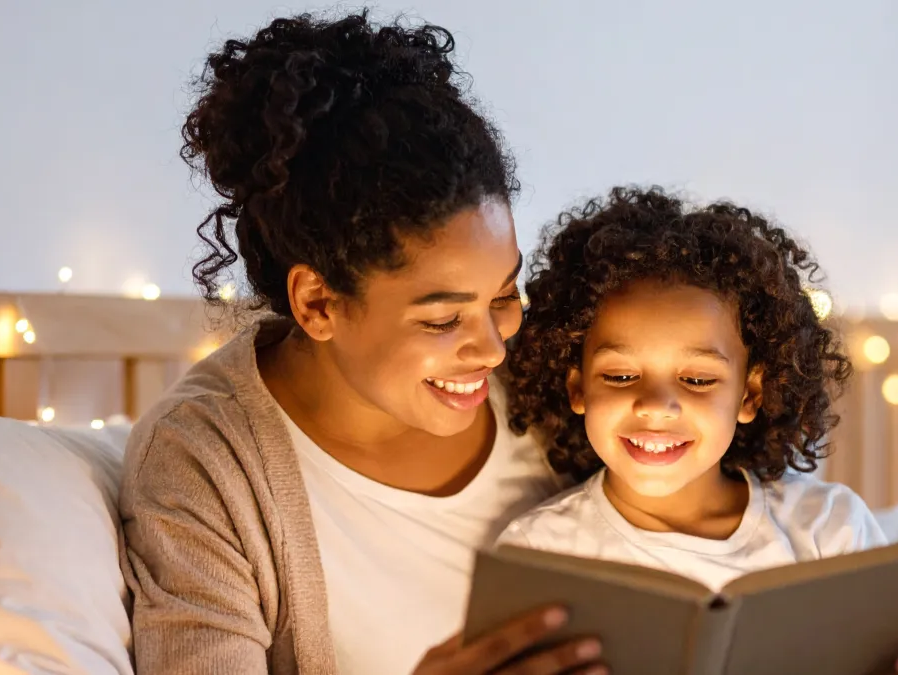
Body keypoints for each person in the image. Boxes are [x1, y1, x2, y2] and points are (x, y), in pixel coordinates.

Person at [117, 10, 606, 675]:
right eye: (442, 320)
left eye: (503, 295)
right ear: (318, 303)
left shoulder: (558, 381)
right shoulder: (204, 463)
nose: (493, 349)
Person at [500, 186, 898, 674]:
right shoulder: (538, 554)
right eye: (619, 376)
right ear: (578, 389)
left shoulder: (828, 530)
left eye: (697, 380)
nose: (655, 405)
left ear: (750, 395)